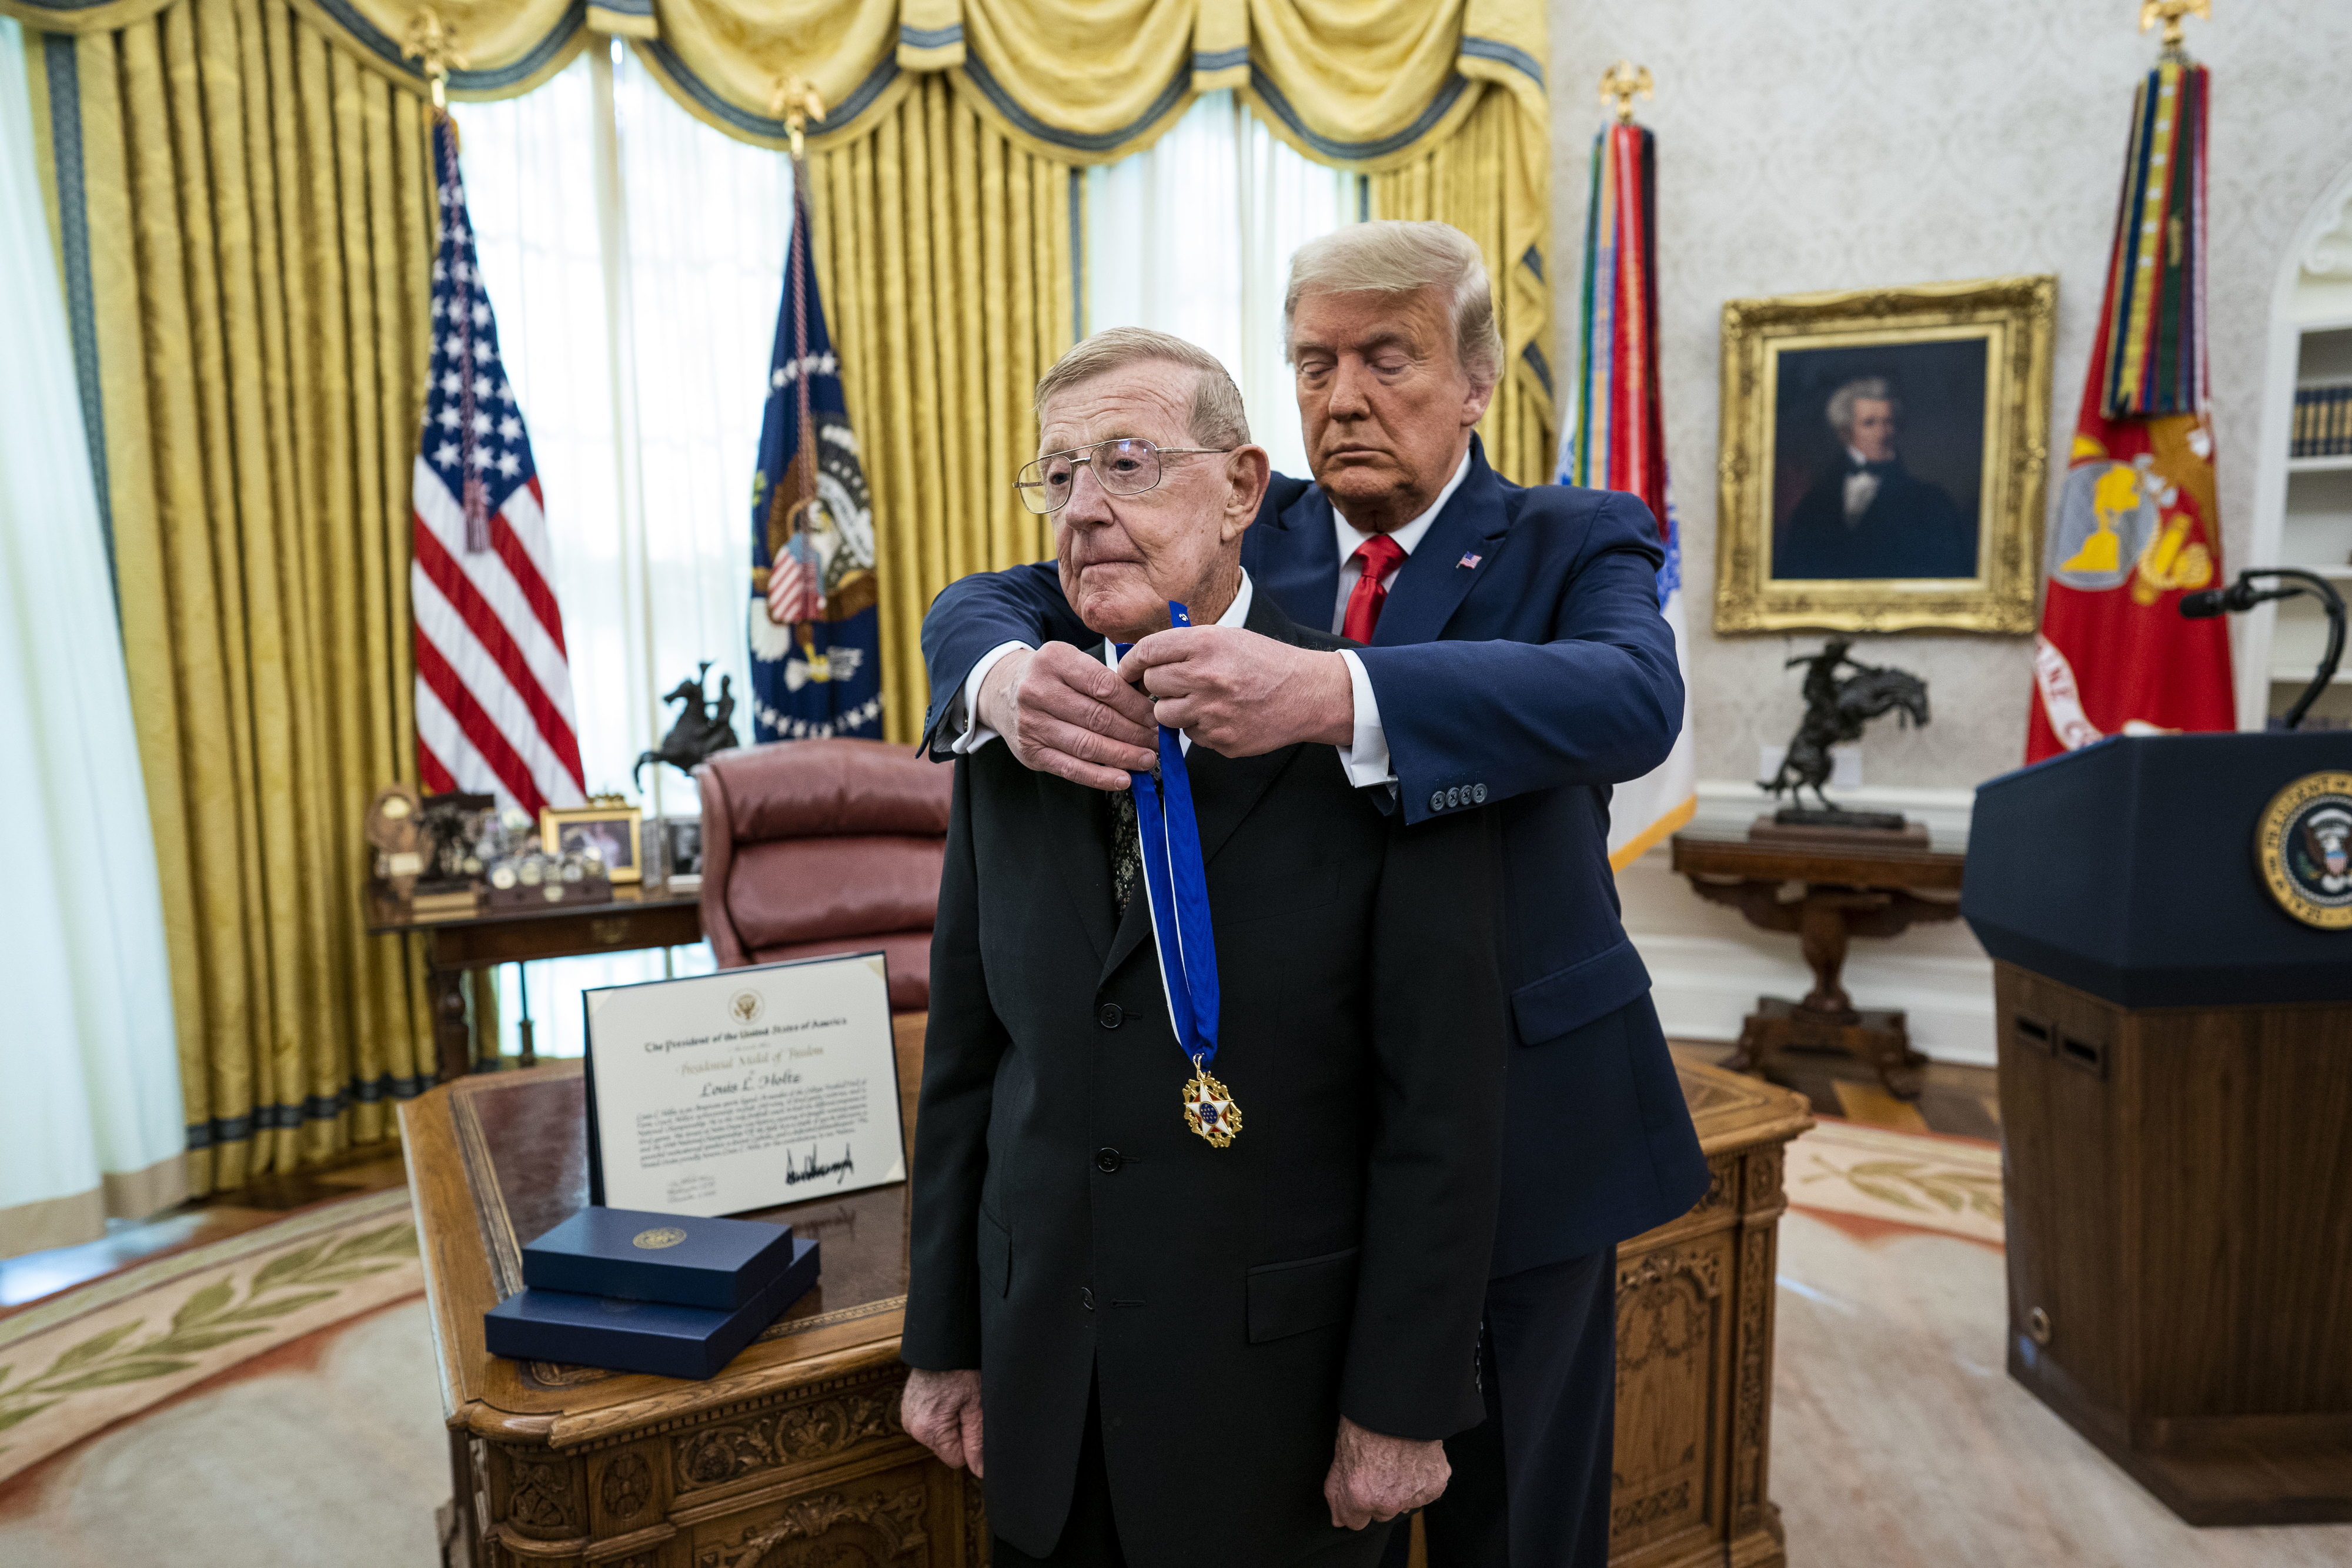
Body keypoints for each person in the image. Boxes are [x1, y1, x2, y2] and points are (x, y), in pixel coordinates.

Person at [917, 222, 1710, 1568]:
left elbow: (1633, 700)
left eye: (1385, 359)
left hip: (1521, 1136)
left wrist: (1339, 694)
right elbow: (1000, 589)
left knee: (1510, 1526)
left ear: (1473, 381)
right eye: (1311, 362)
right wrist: (995, 681)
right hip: (1288, 1149)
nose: (1341, 396)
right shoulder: (1251, 518)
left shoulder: (1572, 538)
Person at [900, 326, 1512, 1568]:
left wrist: (1401, 1405)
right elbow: (970, 1060)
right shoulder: (1009, 727)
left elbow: (1440, 1111)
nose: (1081, 507)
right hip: (1043, 1395)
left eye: (1125, 462)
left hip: (1273, 1415)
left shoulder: (1369, 730)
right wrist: (945, 1335)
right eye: (1056, 474)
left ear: (1241, 487)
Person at [1776, 376, 1975, 579]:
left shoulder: (1931, 503)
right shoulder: (1814, 505)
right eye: (1869, 424)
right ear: (1844, 434)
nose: (1882, 434)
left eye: (1888, 422)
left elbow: (1951, 576)